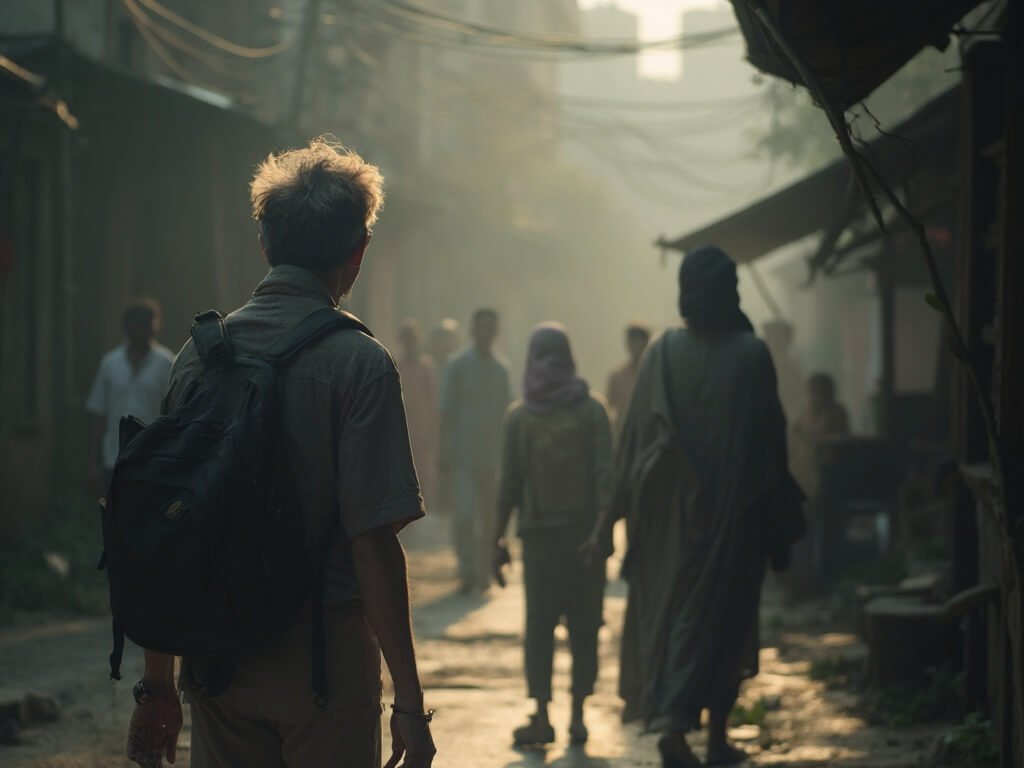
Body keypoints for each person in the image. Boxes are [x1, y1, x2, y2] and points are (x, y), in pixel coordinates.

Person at [123, 138, 436, 768]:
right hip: (323, 668)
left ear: (265, 243)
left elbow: (170, 526)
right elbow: (372, 543)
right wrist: (408, 698)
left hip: (218, 660)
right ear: (358, 251)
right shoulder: (360, 363)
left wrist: (158, 686)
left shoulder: (200, 356)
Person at [600, 246, 803, 768]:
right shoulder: (752, 355)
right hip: (735, 523)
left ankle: (680, 728)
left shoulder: (663, 353)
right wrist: (781, 531)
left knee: (676, 624)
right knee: (726, 627)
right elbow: (772, 451)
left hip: (668, 527)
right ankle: (704, 735)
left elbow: (631, 446)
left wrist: (607, 524)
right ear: (731, 291)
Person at [492, 323, 613, 747]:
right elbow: (606, 478)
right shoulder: (593, 411)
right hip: (584, 540)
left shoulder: (520, 416)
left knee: (540, 628)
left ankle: (542, 715)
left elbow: (508, 484)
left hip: (540, 540)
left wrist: (496, 541)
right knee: (584, 626)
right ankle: (577, 715)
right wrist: (601, 532)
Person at [439, 308, 511, 593]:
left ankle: (483, 570)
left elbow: (507, 414)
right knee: (465, 515)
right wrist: (443, 450)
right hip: (463, 454)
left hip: (492, 456)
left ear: (496, 332)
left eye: (490, 328)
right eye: (482, 327)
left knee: (489, 517)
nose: (485, 333)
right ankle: (467, 570)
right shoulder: (457, 365)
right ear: (473, 330)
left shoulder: (501, 370)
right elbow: (446, 411)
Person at [85, 299, 174, 499]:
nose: (141, 330)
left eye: (147, 323)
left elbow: (174, 413)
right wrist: (92, 463)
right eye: (137, 324)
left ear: (155, 327)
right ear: (127, 327)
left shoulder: (167, 363)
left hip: (152, 459)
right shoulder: (110, 363)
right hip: (114, 458)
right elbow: (98, 414)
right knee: (115, 514)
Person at [397, 320, 440, 508]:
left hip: (422, 430)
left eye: (412, 339)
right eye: (407, 339)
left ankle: (423, 509)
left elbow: (432, 400)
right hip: (401, 428)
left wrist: (432, 430)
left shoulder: (425, 367)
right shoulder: (396, 365)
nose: (410, 343)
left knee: (423, 471)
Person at [605, 322, 651, 436]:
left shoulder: (654, 375)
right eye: (633, 340)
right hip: (623, 433)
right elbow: (609, 409)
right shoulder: (617, 377)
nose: (636, 345)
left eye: (639, 341)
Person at [761, 320, 803, 422]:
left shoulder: (792, 373)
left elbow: (796, 404)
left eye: (772, 337)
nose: (767, 341)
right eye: (767, 337)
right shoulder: (759, 368)